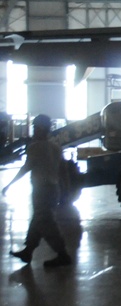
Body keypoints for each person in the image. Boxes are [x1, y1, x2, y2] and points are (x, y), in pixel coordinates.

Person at [5, 114, 73, 268]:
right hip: (53, 190)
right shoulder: (56, 147)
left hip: (41, 190)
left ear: (41, 129)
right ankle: (28, 250)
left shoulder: (34, 147)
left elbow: (26, 168)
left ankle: (62, 254)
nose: (34, 130)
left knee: (45, 222)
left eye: (35, 127)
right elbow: (63, 171)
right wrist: (67, 189)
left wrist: (9, 184)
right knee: (38, 219)